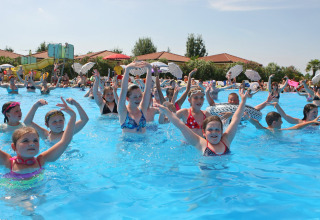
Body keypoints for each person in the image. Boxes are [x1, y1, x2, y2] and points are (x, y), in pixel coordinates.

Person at [157, 88, 249, 156]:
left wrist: (228, 116)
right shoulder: (184, 112)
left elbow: (225, 123)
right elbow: (177, 124)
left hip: (204, 145)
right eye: (196, 98)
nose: (199, 100)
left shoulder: (207, 115)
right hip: (189, 145)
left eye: (201, 97)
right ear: (189, 100)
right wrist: (164, 112)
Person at [0, 97, 76, 180]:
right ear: (14, 147)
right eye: (25, 141)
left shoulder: (41, 160)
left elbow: (64, 142)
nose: (32, 143)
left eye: (35, 140)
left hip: (37, 193)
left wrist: (73, 116)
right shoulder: (7, 162)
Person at [24, 98, 88, 142]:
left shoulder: (68, 132)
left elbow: (85, 119)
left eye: (61, 121)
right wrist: (35, 105)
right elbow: (27, 122)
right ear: (47, 125)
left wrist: (76, 104)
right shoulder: (45, 135)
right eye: (54, 122)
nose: (58, 124)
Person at [118, 61, 152, 133]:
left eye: (140, 96)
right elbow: (123, 90)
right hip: (127, 144)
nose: (138, 99)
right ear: (127, 98)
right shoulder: (123, 111)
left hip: (144, 143)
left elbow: (148, 89)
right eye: (135, 97)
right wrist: (127, 70)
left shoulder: (142, 109)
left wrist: (149, 68)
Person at [245, 111, 320, 131]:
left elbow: (297, 127)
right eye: (280, 121)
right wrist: (249, 118)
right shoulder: (266, 130)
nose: (282, 122)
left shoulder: (280, 130)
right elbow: (256, 123)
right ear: (274, 122)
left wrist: (312, 122)